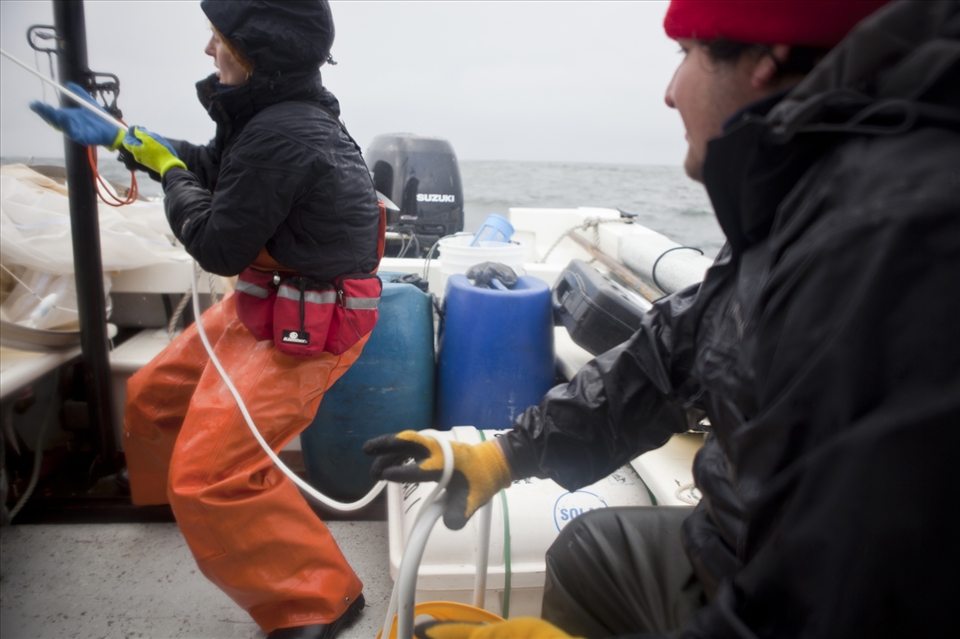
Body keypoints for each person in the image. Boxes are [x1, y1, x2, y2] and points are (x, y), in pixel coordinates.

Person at [365, 0, 960, 637]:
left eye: (688, 53)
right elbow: (670, 354)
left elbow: (854, 599)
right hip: (735, 542)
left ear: (766, 58)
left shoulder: (895, 241)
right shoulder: (802, 200)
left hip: (785, 591)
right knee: (593, 550)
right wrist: (509, 453)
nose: (670, 94)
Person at [32, 1, 381, 638]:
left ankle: (322, 601)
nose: (206, 51)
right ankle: (199, 514)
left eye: (217, 39)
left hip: (308, 325)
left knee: (213, 474)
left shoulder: (285, 132)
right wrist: (129, 141)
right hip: (264, 301)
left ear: (255, 52)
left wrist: (167, 173)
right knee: (153, 397)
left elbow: (216, 244)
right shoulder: (264, 116)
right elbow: (220, 171)